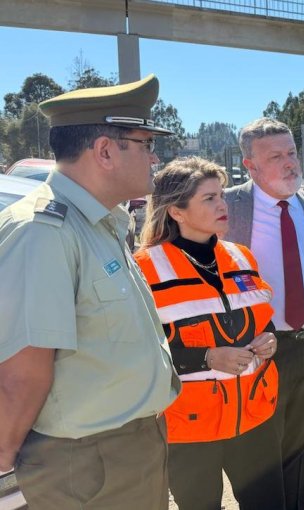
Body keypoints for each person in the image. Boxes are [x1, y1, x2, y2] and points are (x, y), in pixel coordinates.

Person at [0, 75, 180, 509]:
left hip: (126, 450)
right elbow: (22, 375)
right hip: (86, 465)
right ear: (104, 151)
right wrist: (6, 471)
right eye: (145, 143)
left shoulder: (101, 224)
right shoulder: (42, 232)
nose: (155, 157)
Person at [134, 157, 285, 510]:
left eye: (222, 195)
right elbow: (140, 350)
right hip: (189, 427)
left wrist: (270, 339)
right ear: (177, 212)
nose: (223, 204)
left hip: (255, 417)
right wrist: (206, 358)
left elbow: (263, 321)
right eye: (209, 198)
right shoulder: (144, 268)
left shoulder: (241, 256)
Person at [223, 118, 304, 510]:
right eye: (276, 156)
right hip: (259, 352)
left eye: (292, 153)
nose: (289, 163)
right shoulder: (228, 207)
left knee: (300, 454)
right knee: (258, 459)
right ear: (250, 165)